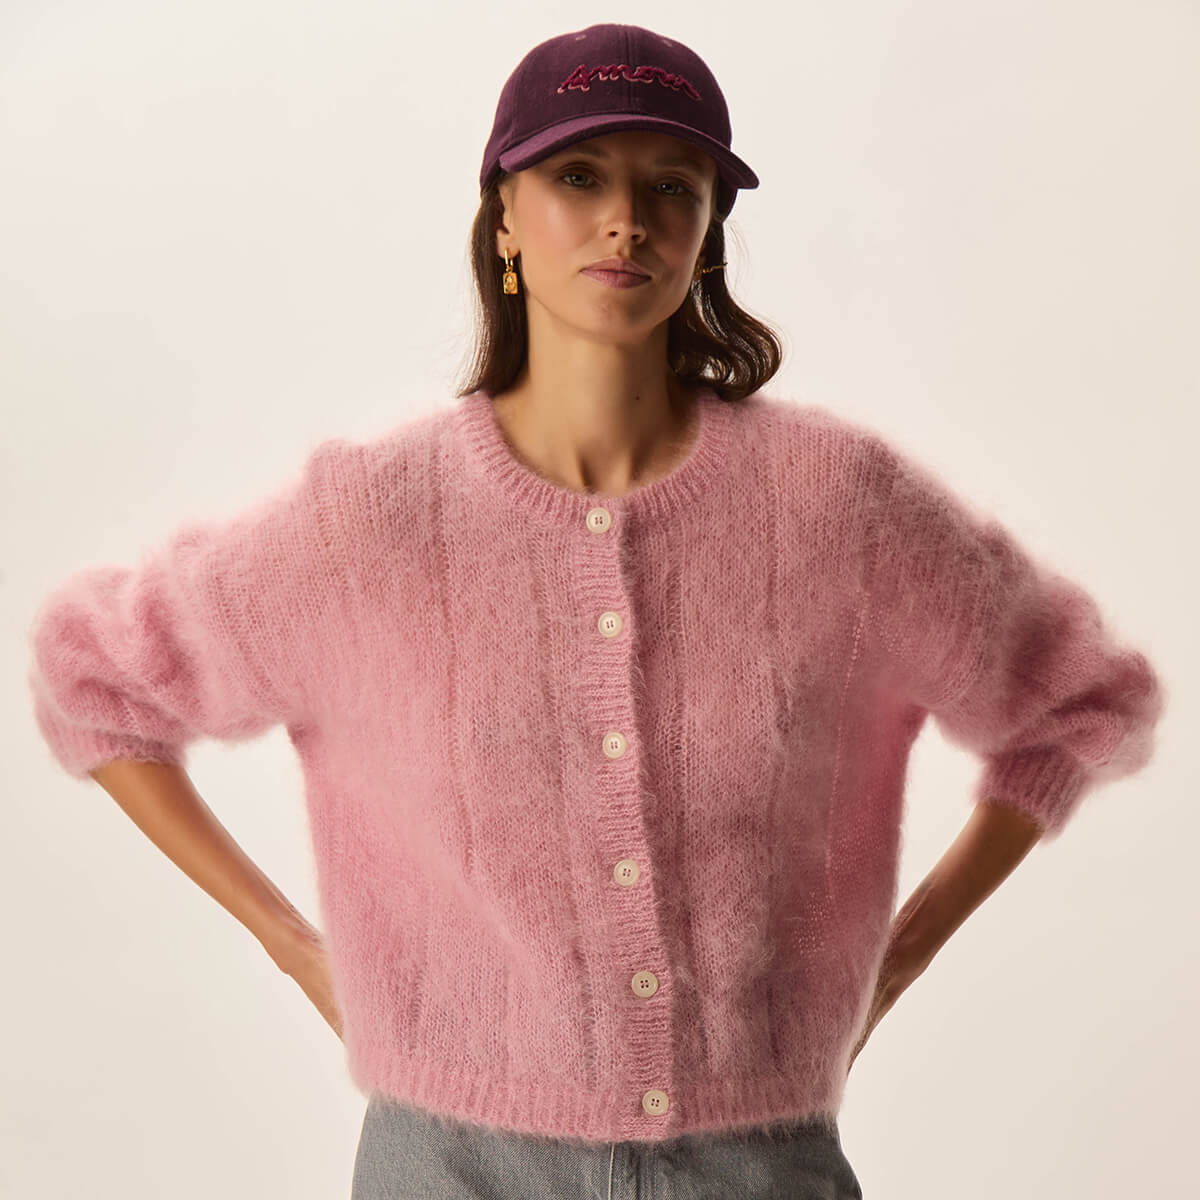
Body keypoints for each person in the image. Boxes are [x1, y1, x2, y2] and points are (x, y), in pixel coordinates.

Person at [25, 22, 1165, 1200]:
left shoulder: (840, 508)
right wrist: (297, 950)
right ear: (503, 219)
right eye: (578, 177)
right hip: (449, 1163)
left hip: (758, 1165)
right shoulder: (368, 525)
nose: (627, 219)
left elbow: (1083, 703)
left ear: (707, 232)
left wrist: (900, 956)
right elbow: (94, 681)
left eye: (672, 186)